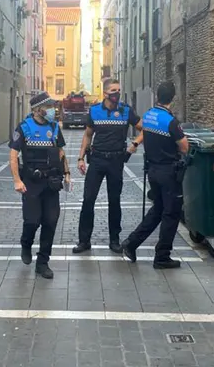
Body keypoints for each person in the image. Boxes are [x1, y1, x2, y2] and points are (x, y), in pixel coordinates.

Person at [121, 81, 188, 269]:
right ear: (172, 97)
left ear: (157, 95)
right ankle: (162, 256)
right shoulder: (170, 121)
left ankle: (131, 243)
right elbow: (184, 147)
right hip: (169, 172)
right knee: (171, 213)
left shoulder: (149, 116)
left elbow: (144, 135)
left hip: (153, 170)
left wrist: (134, 145)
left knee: (158, 209)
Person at [74, 78, 142, 254]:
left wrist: (134, 144)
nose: (117, 93)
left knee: (115, 201)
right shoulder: (95, 111)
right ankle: (84, 241)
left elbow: (145, 128)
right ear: (105, 93)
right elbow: (88, 135)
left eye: (119, 90)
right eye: (113, 90)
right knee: (88, 200)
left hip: (116, 161)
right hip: (96, 160)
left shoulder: (126, 111)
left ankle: (114, 240)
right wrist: (81, 158)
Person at [9, 91, 71, 279]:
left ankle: (43, 262)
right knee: (32, 221)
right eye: (48, 107)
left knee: (50, 221)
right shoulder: (24, 127)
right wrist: (17, 180)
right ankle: (26, 243)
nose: (52, 110)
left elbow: (60, 153)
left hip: (51, 182)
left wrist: (67, 173)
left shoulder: (54, 126)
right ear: (37, 109)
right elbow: (13, 156)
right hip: (31, 182)